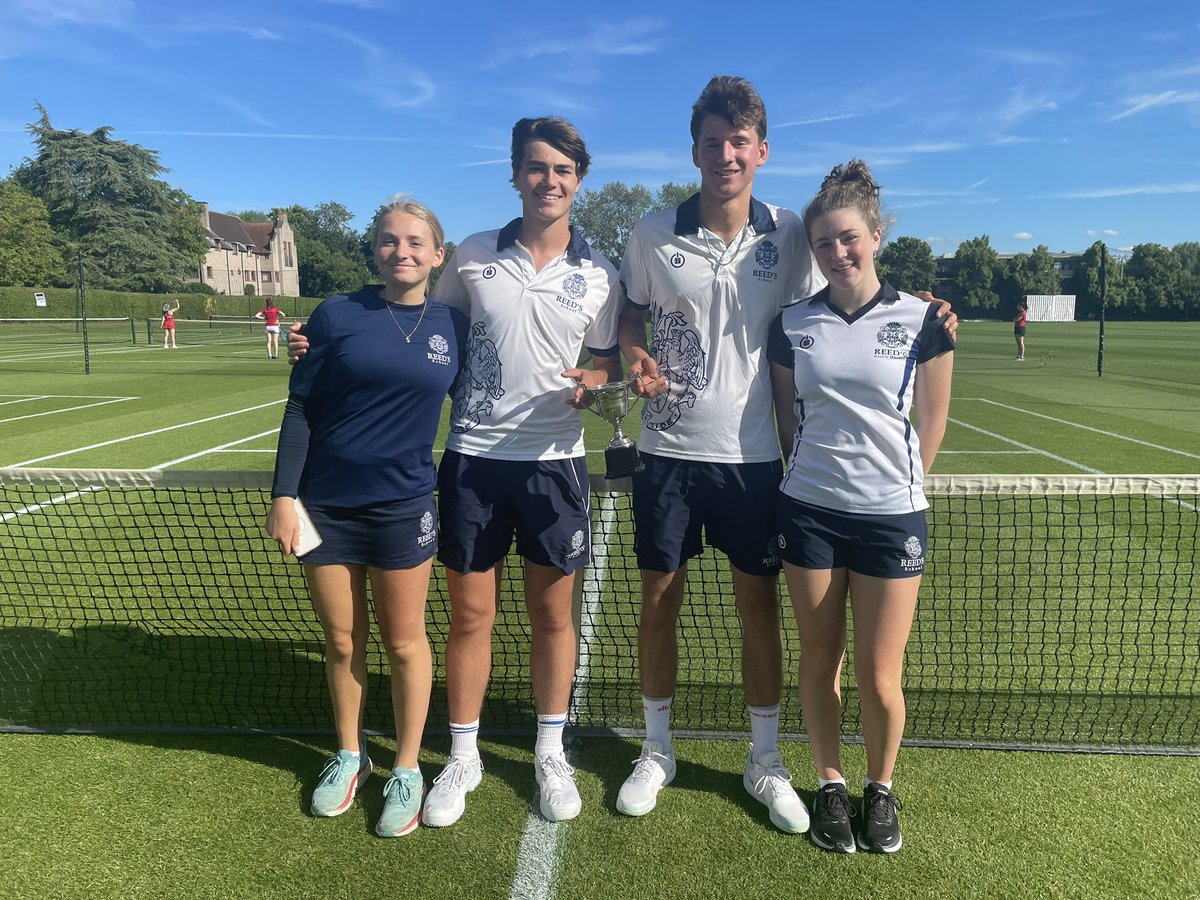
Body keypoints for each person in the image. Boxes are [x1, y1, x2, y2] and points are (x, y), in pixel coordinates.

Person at [615, 76, 955, 833]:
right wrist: (636, 356)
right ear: (695, 150)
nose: (725, 154)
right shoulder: (650, 232)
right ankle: (657, 748)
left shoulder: (794, 234)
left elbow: (843, 297)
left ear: (761, 151)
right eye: (712, 141)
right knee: (656, 605)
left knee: (757, 611)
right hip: (666, 452)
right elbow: (631, 315)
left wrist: (926, 312)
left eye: (740, 142)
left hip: (759, 460)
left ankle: (765, 759)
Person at [287, 117, 624, 827]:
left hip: (556, 467)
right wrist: (314, 343)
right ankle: (462, 756)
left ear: (578, 181)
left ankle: (549, 750)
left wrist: (598, 377)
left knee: (551, 616)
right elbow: (411, 328)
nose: (549, 180)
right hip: (471, 461)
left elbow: (605, 361)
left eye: (563, 170)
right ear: (515, 175)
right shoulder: (471, 256)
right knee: (471, 617)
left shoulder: (601, 274)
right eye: (536, 167)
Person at [767, 160, 954, 854]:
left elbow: (932, 421)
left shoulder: (925, 320)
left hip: (891, 519)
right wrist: (815, 481)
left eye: (849, 239)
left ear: (875, 235)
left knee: (880, 675)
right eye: (823, 244)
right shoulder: (791, 324)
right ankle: (832, 785)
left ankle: (881, 788)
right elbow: (788, 421)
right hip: (808, 513)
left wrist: (893, 488)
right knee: (820, 662)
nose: (838, 253)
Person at [265, 196, 465, 838]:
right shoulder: (335, 315)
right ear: (374, 250)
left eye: (414, 242)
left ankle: (407, 766)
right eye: (387, 240)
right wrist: (283, 496)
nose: (400, 252)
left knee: (405, 641)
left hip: (405, 506)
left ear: (438, 254)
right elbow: (300, 410)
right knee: (344, 641)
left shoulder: (456, 325)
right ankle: (350, 756)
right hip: (325, 508)